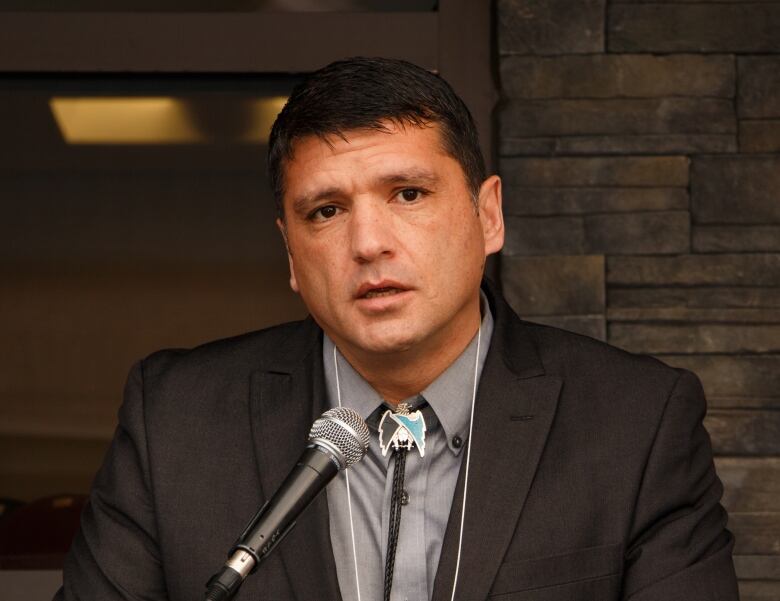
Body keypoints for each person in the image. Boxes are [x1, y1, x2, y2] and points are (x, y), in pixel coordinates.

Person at [56, 57, 739, 601]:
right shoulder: (175, 418)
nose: (368, 242)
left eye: (408, 194)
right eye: (325, 211)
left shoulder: (636, 422)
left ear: (488, 215)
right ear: (291, 253)